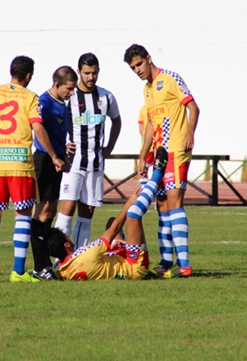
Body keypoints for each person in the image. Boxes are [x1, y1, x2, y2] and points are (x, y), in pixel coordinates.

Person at [0, 56, 66, 284]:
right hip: (20, 164)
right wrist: (53, 156)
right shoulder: (30, 97)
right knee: (23, 216)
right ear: (28, 76)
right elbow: (38, 128)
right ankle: (18, 272)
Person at [124, 44, 200, 278]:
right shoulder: (147, 90)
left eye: (139, 64)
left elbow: (193, 107)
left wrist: (190, 133)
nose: (137, 70)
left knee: (175, 202)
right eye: (133, 67)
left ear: (149, 58)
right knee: (162, 205)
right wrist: (143, 154)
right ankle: (167, 261)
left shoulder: (170, 78)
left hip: (177, 149)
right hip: (159, 156)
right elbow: (150, 124)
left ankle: (184, 265)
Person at [46, 146, 169, 281]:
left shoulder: (60, 270)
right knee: (133, 214)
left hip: (113, 257)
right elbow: (114, 229)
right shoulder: (87, 254)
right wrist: (129, 202)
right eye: (66, 237)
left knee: (111, 221)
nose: (69, 238)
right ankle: (158, 173)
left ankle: (122, 243)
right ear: (66, 245)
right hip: (133, 266)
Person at [54, 53, 122, 248]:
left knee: (88, 211)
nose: (91, 77)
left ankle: (79, 255)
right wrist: (61, 144)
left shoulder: (106, 96)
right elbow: (53, 121)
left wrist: (110, 145)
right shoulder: (69, 96)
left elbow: (117, 120)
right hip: (72, 163)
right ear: (78, 72)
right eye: (87, 73)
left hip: (95, 163)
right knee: (66, 209)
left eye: (94, 73)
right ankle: (60, 257)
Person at [29, 67, 78, 280]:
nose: (72, 92)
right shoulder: (44, 102)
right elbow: (39, 130)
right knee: (41, 212)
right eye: (69, 88)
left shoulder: (62, 103)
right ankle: (39, 266)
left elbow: (57, 134)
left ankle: (44, 265)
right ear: (57, 84)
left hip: (55, 159)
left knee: (49, 212)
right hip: (44, 160)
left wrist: (63, 155)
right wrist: (54, 156)